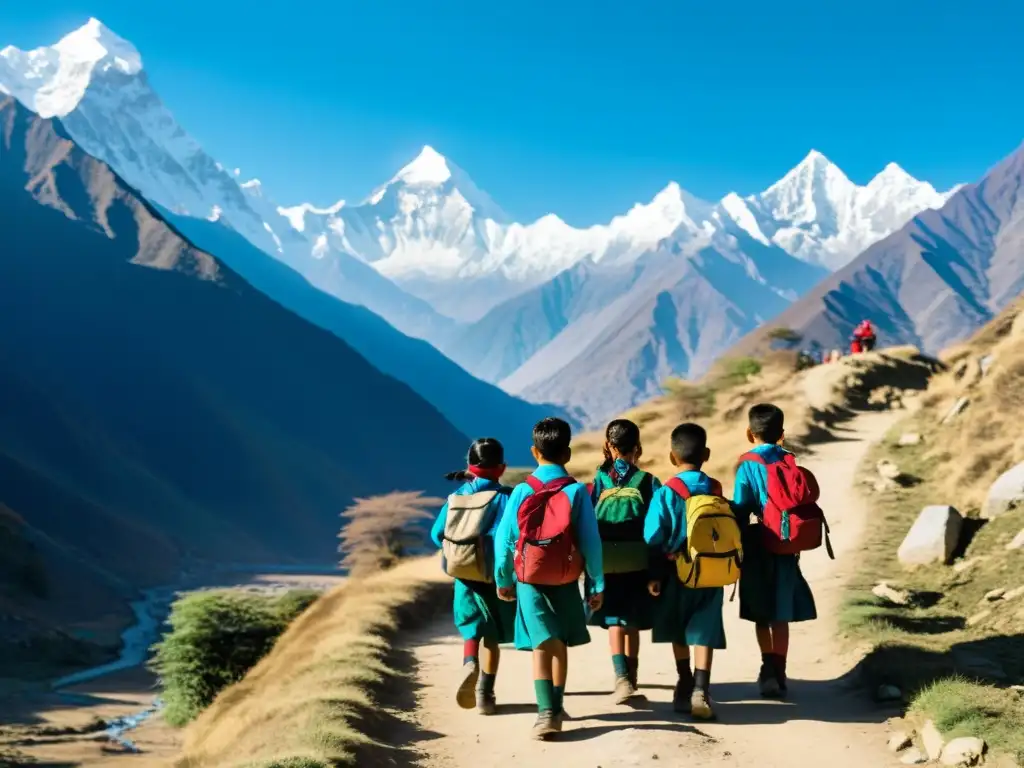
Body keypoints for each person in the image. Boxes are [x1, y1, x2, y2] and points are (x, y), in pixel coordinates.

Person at [494, 417, 605, 740]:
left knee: (542, 644)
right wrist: (596, 583)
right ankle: (555, 706)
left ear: (534, 451)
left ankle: (546, 713)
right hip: (566, 576)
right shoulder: (576, 491)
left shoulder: (521, 491)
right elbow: (591, 541)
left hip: (530, 577)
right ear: (567, 453)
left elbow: (504, 540)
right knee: (559, 644)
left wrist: (503, 579)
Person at [644, 423, 730, 720]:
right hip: (712, 569)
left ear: (671, 457)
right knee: (705, 630)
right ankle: (701, 688)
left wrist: (654, 575)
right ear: (706, 454)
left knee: (678, 628)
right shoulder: (715, 488)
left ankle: (683, 682)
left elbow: (653, 536)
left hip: (675, 571)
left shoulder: (666, 493)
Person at [733, 404, 817, 699]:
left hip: (758, 543)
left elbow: (742, 507)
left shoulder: (747, 464)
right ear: (782, 434)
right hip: (786, 543)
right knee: (780, 613)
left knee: (760, 613)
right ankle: (780, 672)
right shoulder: (788, 458)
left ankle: (767, 668)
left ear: (749, 433)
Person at [431, 438, 517, 715]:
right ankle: (485, 695)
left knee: (471, 627)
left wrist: (460, 553)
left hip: (464, 576)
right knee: (492, 635)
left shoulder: (456, 497)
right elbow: (510, 538)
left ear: (469, 465)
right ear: (502, 468)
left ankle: (469, 660)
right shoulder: (505, 497)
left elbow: (436, 535)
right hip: (493, 577)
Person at [587, 419, 660, 704]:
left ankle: (621, 677)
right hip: (638, 560)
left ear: (608, 446)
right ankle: (633, 673)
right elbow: (655, 528)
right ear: (638, 448)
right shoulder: (648, 481)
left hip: (606, 561)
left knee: (614, 619)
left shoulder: (597, 482)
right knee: (632, 618)